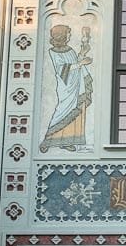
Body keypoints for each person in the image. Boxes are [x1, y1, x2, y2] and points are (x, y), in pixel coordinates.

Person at [40, 24, 93, 152]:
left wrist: (83, 53)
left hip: (76, 84)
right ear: (61, 36)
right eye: (68, 33)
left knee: (76, 111)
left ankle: (67, 140)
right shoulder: (53, 52)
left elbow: (75, 61)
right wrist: (81, 63)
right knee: (62, 111)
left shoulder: (69, 49)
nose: (69, 35)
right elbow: (62, 69)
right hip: (66, 87)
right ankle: (47, 140)